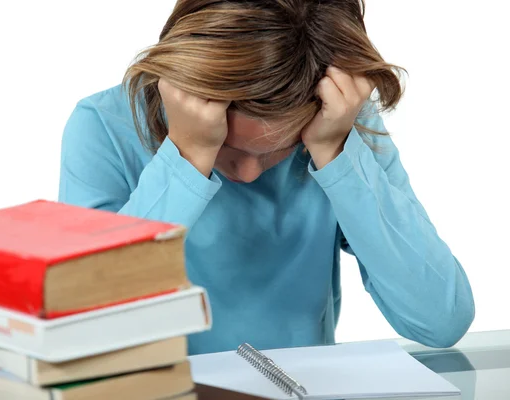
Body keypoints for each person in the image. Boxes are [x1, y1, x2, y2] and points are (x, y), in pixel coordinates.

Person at [58, 0, 475, 355]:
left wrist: (335, 154)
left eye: (280, 149)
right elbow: (79, 326)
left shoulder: (340, 125)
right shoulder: (104, 126)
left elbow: (440, 320)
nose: (248, 172)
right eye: (228, 147)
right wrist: (188, 157)